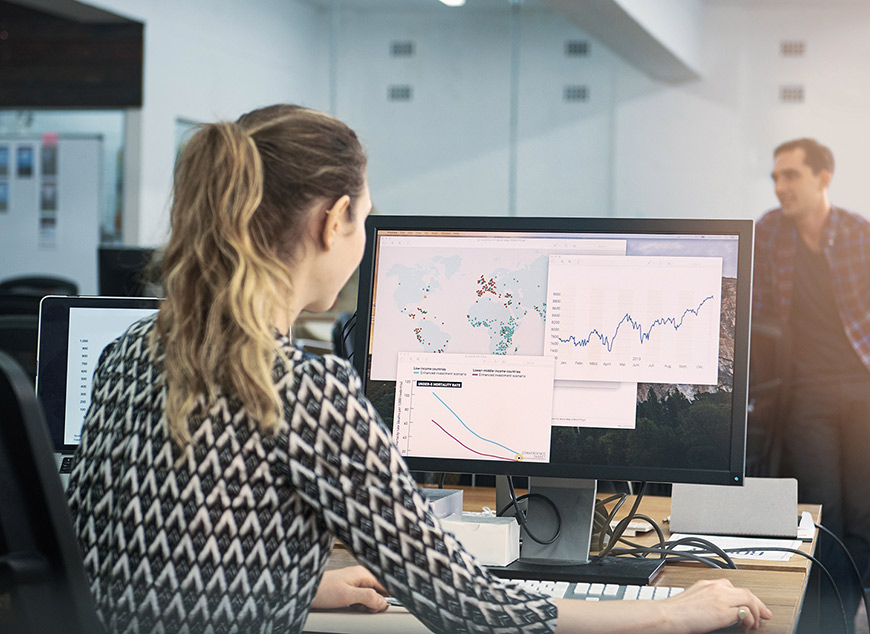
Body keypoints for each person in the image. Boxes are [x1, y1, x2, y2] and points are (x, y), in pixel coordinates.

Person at [67, 104, 770, 634]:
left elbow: (133, 559)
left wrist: (295, 583)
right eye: (365, 220)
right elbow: (472, 608)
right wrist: (670, 614)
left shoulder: (128, 354)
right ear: (333, 221)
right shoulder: (305, 393)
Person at [753, 138, 870, 632]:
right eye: (775, 177)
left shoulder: (866, 237)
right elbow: (753, 308)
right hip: (807, 396)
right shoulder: (770, 232)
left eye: (790, 176)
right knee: (822, 517)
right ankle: (826, 625)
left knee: (862, 517)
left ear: (822, 178)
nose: (780, 186)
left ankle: (825, 623)